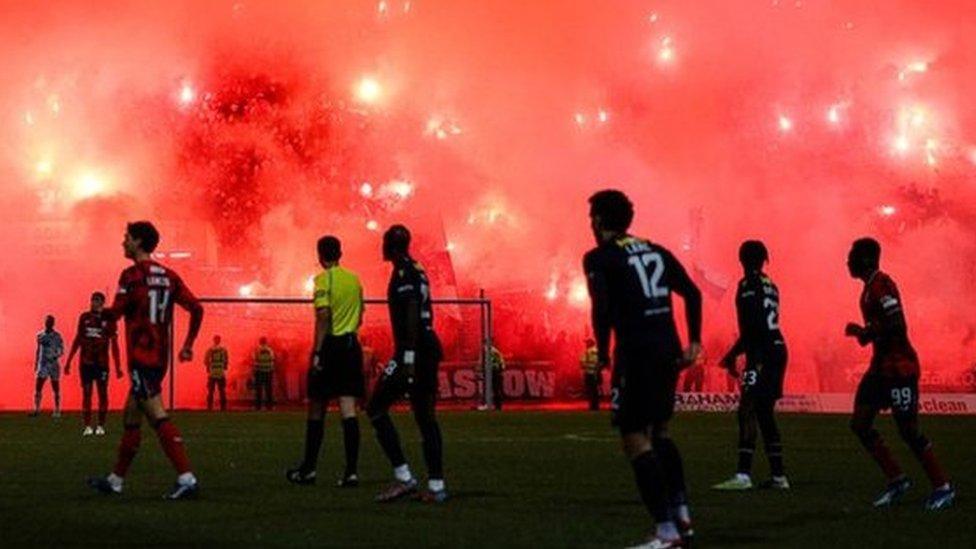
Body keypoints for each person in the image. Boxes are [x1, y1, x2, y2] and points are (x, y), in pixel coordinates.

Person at [583, 190, 702, 548]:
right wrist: (693, 340)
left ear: (600, 220)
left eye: (592, 217)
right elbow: (693, 293)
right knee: (660, 432)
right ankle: (681, 514)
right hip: (667, 350)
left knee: (634, 437)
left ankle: (665, 531)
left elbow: (601, 308)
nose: (590, 223)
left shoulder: (599, 257)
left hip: (636, 353)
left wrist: (602, 352)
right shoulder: (657, 250)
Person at [87, 221, 204, 500]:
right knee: (131, 415)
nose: (123, 242)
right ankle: (116, 480)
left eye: (126, 237)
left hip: (141, 357)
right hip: (160, 358)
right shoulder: (170, 276)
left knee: (156, 415)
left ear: (138, 242)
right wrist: (188, 345)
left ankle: (186, 477)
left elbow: (116, 312)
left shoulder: (131, 275)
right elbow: (197, 308)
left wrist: (99, 312)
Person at [844, 237, 954, 510]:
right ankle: (897, 480)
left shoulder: (881, 286)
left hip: (899, 368)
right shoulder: (870, 289)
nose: (848, 261)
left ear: (866, 259)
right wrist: (863, 333)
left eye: (853, 256)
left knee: (908, 430)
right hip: (880, 368)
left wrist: (867, 332)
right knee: (859, 423)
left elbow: (897, 324)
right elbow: (883, 326)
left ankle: (943, 487)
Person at [367, 225, 447, 503]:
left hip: (414, 351)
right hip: (424, 347)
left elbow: (412, 310)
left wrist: (408, 357)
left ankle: (404, 477)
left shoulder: (403, 271)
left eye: (384, 242)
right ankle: (436, 486)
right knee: (425, 417)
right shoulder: (417, 267)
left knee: (376, 406)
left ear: (390, 245)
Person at [287, 235, 366, 487]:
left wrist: (318, 351)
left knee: (317, 405)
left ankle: (309, 469)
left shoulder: (323, 279)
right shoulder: (355, 280)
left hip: (331, 345)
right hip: (352, 344)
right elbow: (361, 314)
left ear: (320, 255)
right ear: (340, 253)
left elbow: (323, 316)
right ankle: (351, 472)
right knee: (348, 408)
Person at [713, 241, 790, 491]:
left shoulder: (747, 286)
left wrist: (732, 355)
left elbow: (752, 328)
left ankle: (743, 475)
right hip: (777, 348)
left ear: (742, 259)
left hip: (762, 353)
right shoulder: (772, 285)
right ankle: (779, 477)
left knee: (746, 409)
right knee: (765, 412)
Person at [65, 292, 123, 435]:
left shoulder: (109, 321)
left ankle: (101, 426)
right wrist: (69, 360)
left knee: (102, 393)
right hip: (86, 362)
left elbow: (114, 344)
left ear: (103, 303)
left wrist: (118, 366)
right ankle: (87, 426)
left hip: (102, 363)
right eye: (93, 300)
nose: (94, 303)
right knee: (87, 393)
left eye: (97, 301)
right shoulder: (84, 318)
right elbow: (78, 339)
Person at [31, 315, 64, 418]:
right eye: (47, 321)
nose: (48, 323)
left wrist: (55, 355)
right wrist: (36, 363)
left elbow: (61, 349)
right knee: (38, 386)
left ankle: (57, 409)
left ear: (53, 323)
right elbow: (38, 350)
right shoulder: (40, 335)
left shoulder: (57, 336)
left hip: (53, 364)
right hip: (43, 364)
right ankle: (36, 409)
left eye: (50, 321)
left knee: (55, 387)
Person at [204, 335, 229, 411]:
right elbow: (226, 361)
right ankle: (223, 407)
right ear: (219, 340)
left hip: (212, 373)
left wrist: (208, 368)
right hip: (221, 373)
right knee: (222, 390)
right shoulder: (223, 350)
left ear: (214, 340)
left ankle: (209, 407)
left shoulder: (210, 350)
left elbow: (205, 360)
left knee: (211, 391)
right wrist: (224, 367)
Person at [479, 345, 505, 411]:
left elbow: (499, 361)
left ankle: (491, 405)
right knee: (494, 389)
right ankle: (496, 405)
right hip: (494, 372)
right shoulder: (495, 351)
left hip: (493, 372)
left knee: (493, 389)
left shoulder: (490, 351)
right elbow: (501, 362)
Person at [253, 337, 275, 410]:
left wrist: (254, 370)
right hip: (268, 371)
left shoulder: (257, 350)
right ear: (266, 342)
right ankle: (269, 406)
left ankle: (258, 406)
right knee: (268, 390)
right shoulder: (270, 350)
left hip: (259, 371)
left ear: (260, 342)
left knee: (259, 390)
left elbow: (254, 360)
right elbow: (272, 359)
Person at [580, 338, 602, 411]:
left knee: (590, 390)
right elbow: (601, 363)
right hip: (596, 373)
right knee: (595, 390)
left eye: (586, 343)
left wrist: (585, 366)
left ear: (589, 344)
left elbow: (582, 364)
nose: (585, 345)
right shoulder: (598, 352)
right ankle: (596, 406)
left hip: (589, 374)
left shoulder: (587, 352)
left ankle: (592, 406)